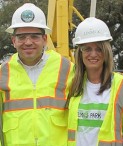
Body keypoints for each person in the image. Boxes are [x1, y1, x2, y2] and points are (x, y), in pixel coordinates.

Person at [0, 3, 74, 146]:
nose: (28, 42)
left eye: (34, 36)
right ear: (13, 41)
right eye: (22, 37)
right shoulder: (2, 73)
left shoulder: (67, 69)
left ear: (45, 39)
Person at [67, 17, 123, 146]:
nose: (93, 54)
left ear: (106, 51)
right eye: (87, 49)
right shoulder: (70, 86)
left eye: (99, 48)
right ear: (79, 53)